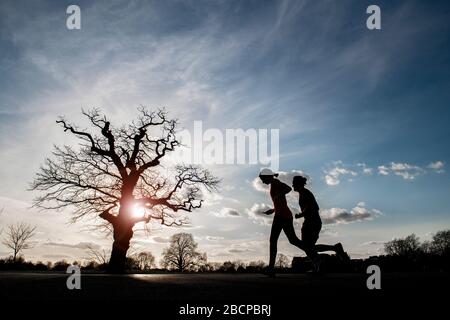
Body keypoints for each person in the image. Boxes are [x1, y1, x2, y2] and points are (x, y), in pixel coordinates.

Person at [259, 168, 318, 277]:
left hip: (281, 216)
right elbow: (280, 202)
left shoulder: (275, 182)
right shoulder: (273, 184)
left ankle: (271, 268)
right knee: (293, 240)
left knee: (273, 240)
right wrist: (273, 210)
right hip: (284, 215)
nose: (263, 182)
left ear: (268, 176)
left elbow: (288, 188)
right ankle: (314, 257)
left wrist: (279, 194)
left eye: (263, 179)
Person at [292, 175, 350, 272]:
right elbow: (310, 206)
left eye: (294, 183)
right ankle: (332, 251)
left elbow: (314, 207)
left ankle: (319, 264)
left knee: (307, 247)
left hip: (311, 223)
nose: (292, 186)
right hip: (313, 222)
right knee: (309, 248)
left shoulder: (306, 193)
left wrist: (301, 214)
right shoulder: (303, 193)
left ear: (298, 184)